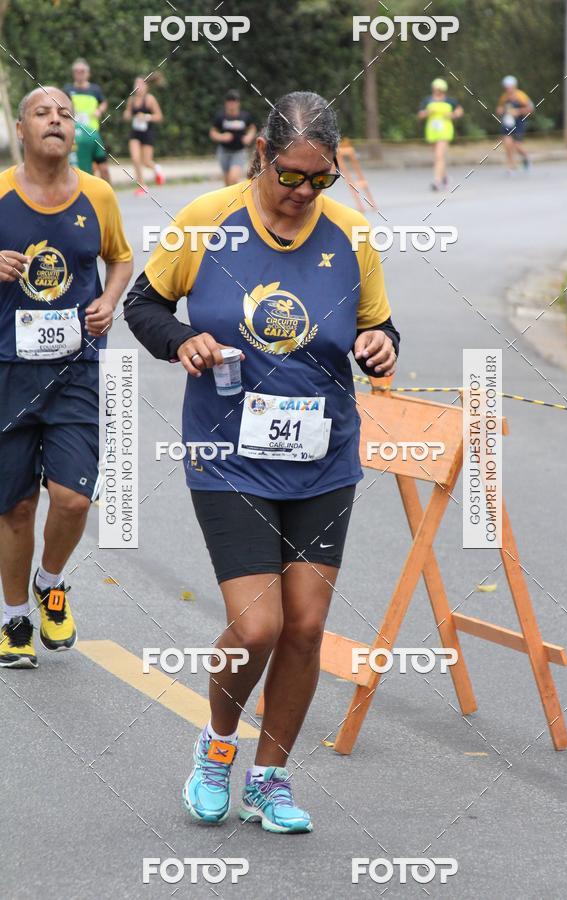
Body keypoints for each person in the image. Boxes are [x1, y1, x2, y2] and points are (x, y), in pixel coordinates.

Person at [124, 91, 399, 834]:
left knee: (306, 628)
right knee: (257, 628)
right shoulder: (207, 220)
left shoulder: (350, 234)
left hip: (324, 457)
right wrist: (179, 340)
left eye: (321, 179)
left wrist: (383, 347)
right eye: (291, 176)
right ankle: (216, 751)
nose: (304, 193)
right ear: (261, 158)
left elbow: (377, 324)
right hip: (227, 454)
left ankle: (269, 778)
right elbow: (144, 306)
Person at [0, 86, 133, 668]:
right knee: (16, 508)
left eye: (65, 114)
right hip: (7, 369)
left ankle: (50, 583)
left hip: (75, 367)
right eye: (42, 114)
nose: (56, 121)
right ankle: (13, 619)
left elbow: (121, 257)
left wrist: (107, 299)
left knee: (74, 498)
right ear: (21, 131)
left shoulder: (98, 195)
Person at [63, 58, 111, 182]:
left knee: (95, 164)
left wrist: (99, 110)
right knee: (77, 162)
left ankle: (91, 187)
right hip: (74, 132)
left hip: (92, 132)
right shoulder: (68, 89)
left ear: (88, 73)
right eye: (77, 71)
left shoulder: (95, 89)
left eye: (82, 71)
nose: (80, 74)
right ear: (73, 73)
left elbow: (104, 102)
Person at [418, 78, 463, 191]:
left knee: (439, 156)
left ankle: (437, 181)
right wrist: (428, 112)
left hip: (445, 130)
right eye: (435, 89)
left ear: (443, 90)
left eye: (439, 89)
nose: (437, 91)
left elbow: (459, 111)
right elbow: (420, 114)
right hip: (432, 131)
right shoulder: (427, 100)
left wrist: (452, 115)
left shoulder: (450, 101)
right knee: (438, 157)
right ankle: (446, 178)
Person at [123, 75, 165, 196]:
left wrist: (146, 117)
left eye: (140, 84)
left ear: (146, 87)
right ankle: (142, 185)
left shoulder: (150, 99)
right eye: (136, 84)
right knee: (135, 158)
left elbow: (159, 116)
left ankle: (157, 168)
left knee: (146, 161)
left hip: (147, 133)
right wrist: (127, 115)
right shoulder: (131, 100)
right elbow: (128, 114)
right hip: (135, 133)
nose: (138, 87)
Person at [209, 89, 257, 186]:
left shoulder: (245, 116)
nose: (232, 104)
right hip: (224, 151)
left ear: (238, 103)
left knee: (233, 177)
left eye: (234, 101)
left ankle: (235, 197)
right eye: (229, 101)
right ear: (226, 103)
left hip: (239, 152)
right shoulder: (221, 117)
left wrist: (249, 136)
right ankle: (230, 199)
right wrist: (221, 137)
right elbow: (212, 132)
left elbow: (252, 128)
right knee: (227, 181)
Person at [496, 75, 534, 172]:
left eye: (510, 87)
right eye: (506, 87)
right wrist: (501, 110)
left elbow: (530, 109)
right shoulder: (504, 97)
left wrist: (518, 111)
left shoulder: (521, 96)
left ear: (514, 86)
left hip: (519, 123)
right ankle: (511, 165)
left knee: (517, 146)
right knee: (507, 143)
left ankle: (526, 157)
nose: (508, 89)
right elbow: (499, 108)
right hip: (507, 123)